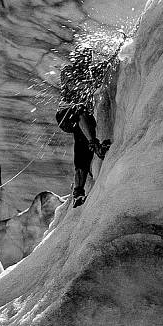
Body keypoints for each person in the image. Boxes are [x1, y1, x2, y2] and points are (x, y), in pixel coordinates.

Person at [56, 47, 111, 207]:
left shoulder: (91, 72)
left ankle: (78, 193)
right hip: (66, 115)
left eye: (89, 58)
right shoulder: (68, 71)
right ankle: (96, 146)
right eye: (84, 58)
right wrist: (93, 79)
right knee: (79, 110)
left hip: (84, 121)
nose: (87, 61)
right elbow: (74, 85)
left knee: (82, 157)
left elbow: (106, 66)